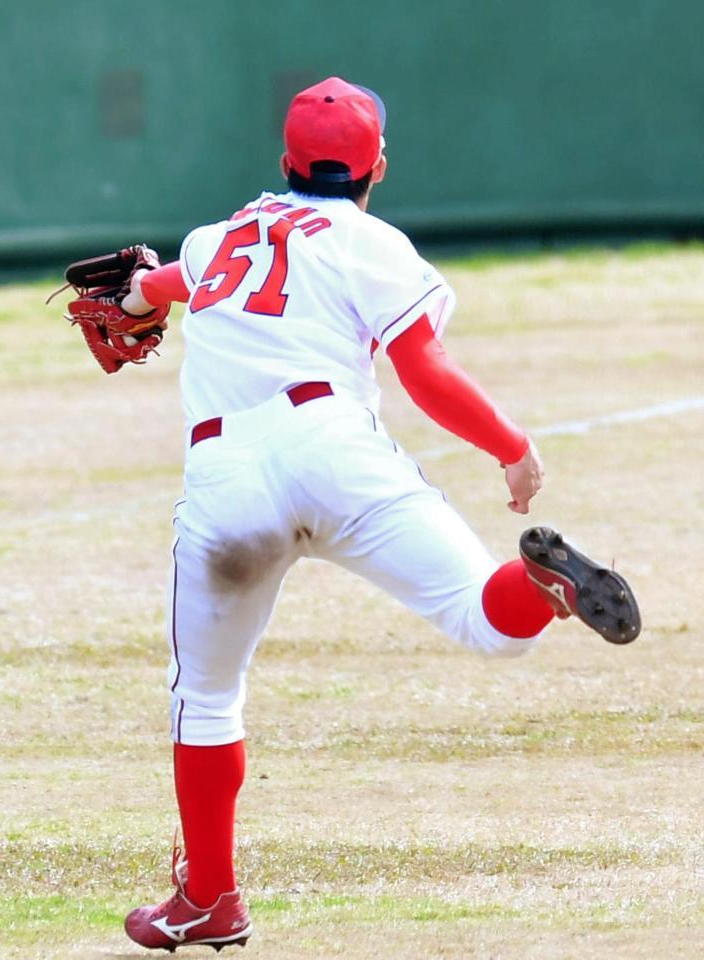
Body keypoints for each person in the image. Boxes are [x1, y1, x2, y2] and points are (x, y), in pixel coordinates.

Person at [116, 76, 640, 952]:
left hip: (227, 475)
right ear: (377, 167)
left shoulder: (213, 240)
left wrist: (134, 299)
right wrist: (511, 449)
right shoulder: (372, 241)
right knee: (489, 620)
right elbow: (422, 368)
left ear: (282, 161)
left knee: (205, 698)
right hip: (334, 448)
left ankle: (209, 900)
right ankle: (537, 580)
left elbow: (156, 287)